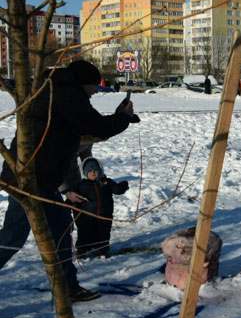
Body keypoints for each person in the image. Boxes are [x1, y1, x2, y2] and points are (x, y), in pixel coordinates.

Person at [0, 60, 138, 302]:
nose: (96, 92)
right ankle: (68, 287)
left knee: (59, 230)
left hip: (36, 179)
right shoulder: (67, 94)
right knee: (14, 237)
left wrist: (118, 118)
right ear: (84, 83)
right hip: (30, 182)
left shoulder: (55, 89)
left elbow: (78, 134)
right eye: (94, 87)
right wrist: (123, 118)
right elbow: (95, 126)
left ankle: (68, 287)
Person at [71, 157, 129, 258]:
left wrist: (122, 186)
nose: (93, 172)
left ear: (100, 170)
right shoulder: (81, 186)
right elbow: (73, 198)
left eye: (95, 170)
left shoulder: (106, 182)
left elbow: (116, 190)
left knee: (103, 234)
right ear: (85, 173)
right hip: (86, 217)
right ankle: (82, 250)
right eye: (89, 170)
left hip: (104, 215)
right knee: (85, 233)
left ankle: (102, 249)